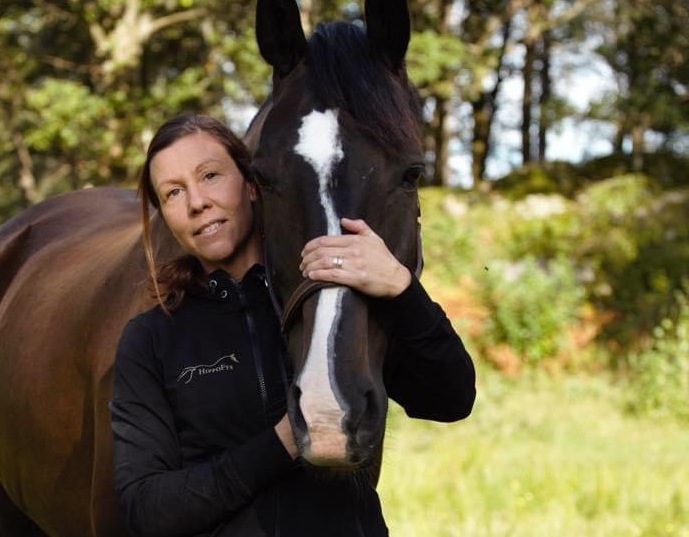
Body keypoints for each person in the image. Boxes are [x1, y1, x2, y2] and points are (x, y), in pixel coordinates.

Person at [110, 115, 475, 537]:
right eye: (173, 192)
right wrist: (285, 440)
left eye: (210, 175)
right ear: (167, 215)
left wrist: (401, 288)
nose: (197, 202)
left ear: (252, 185)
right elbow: (147, 510)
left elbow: (451, 398)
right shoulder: (152, 338)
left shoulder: (329, 302)